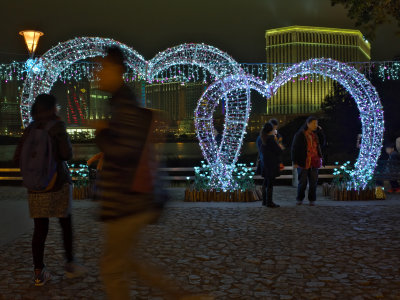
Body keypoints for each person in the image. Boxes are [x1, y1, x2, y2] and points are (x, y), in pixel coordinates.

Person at [95, 46, 194, 300]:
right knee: (125, 262)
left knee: (113, 267)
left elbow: (124, 150)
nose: (97, 74)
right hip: (129, 200)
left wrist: (101, 131)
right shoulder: (121, 103)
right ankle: (180, 295)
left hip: (128, 201)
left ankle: (181, 296)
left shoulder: (124, 105)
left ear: (116, 70)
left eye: (102, 67)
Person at [13, 94, 86, 286]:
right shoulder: (56, 126)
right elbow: (66, 154)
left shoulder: (30, 129)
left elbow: (17, 158)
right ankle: (70, 265)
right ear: (52, 108)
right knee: (65, 224)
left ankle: (39, 272)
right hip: (58, 183)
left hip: (36, 187)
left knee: (40, 230)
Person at [291, 116, 325, 206]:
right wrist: (295, 162)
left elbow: (322, 143)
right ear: (308, 124)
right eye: (313, 123)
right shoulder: (300, 134)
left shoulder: (316, 134)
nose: (315, 125)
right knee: (302, 182)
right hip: (303, 161)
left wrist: (320, 132)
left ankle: (312, 200)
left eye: (316, 123)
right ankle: (300, 199)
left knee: (313, 182)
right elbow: (294, 149)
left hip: (314, 161)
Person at [260, 122, 284, 207]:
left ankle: (265, 201)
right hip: (271, 164)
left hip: (265, 164)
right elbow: (279, 151)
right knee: (270, 184)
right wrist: (279, 145)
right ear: (271, 130)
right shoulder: (271, 139)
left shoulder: (263, 138)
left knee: (266, 182)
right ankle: (269, 202)